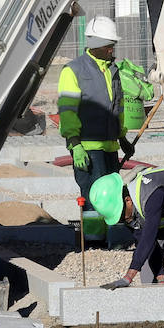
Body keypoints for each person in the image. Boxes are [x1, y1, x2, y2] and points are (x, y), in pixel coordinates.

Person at [59, 16, 133, 240]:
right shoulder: (73, 71)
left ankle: (114, 239)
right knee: (93, 196)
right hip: (88, 148)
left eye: (113, 45)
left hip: (109, 146)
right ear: (95, 45)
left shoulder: (113, 70)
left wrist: (122, 137)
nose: (112, 49)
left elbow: (117, 107)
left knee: (112, 196)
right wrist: (74, 144)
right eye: (109, 45)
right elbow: (68, 111)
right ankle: (93, 242)